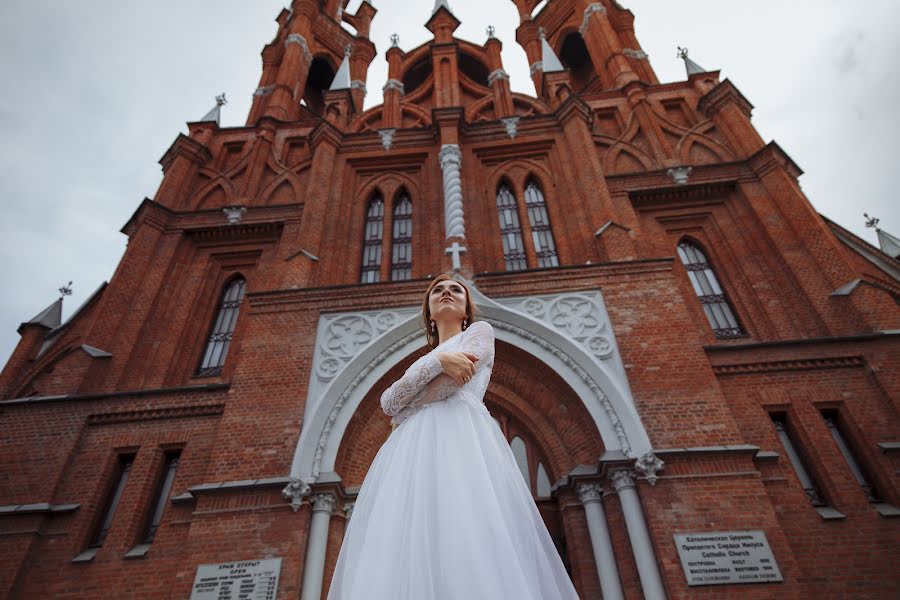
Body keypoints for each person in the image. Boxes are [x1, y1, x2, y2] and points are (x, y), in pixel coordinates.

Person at [326, 274, 580, 600]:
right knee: (414, 533)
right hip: (414, 450)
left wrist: (416, 392)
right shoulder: (425, 358)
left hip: (463, 441)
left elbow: (453, 383)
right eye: (438, 291)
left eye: (456, 290)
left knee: (465, 526)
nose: (447, 292)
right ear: (430, 314)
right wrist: (437, 360)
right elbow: (388, 402)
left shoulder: (479, 333)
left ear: (466, 310)